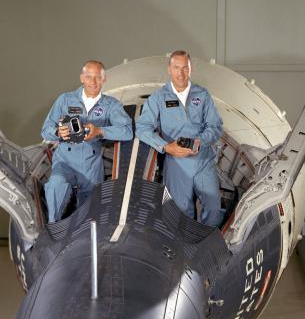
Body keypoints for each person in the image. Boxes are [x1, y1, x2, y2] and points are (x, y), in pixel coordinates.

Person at [136, 51, 223, 227]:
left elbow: (215, 126)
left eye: (185, 68)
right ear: (169, 69)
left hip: (203, 159)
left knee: (214, 209)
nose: (181, 73)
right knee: (180, 212)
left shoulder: (202, 95)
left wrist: (200, 141)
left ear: (190, 70)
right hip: (176, 162)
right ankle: (183, 249)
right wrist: (166, 147)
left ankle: (206, 245)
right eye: (176, 68)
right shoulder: (159, 98)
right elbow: (142, 128)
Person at [41, 60, 133, 223]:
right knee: (56, 185)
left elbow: (127, 131)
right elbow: (45, 129)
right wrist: (58, 132)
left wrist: (100, 131)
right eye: (89, 76)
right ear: (82, 78)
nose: (93, 81)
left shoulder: (111, 105)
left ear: (104, 80)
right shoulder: (65, 100)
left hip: (91, 163)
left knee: (90, 213)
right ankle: (52, 226)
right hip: (65, 160)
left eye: (98, 77)